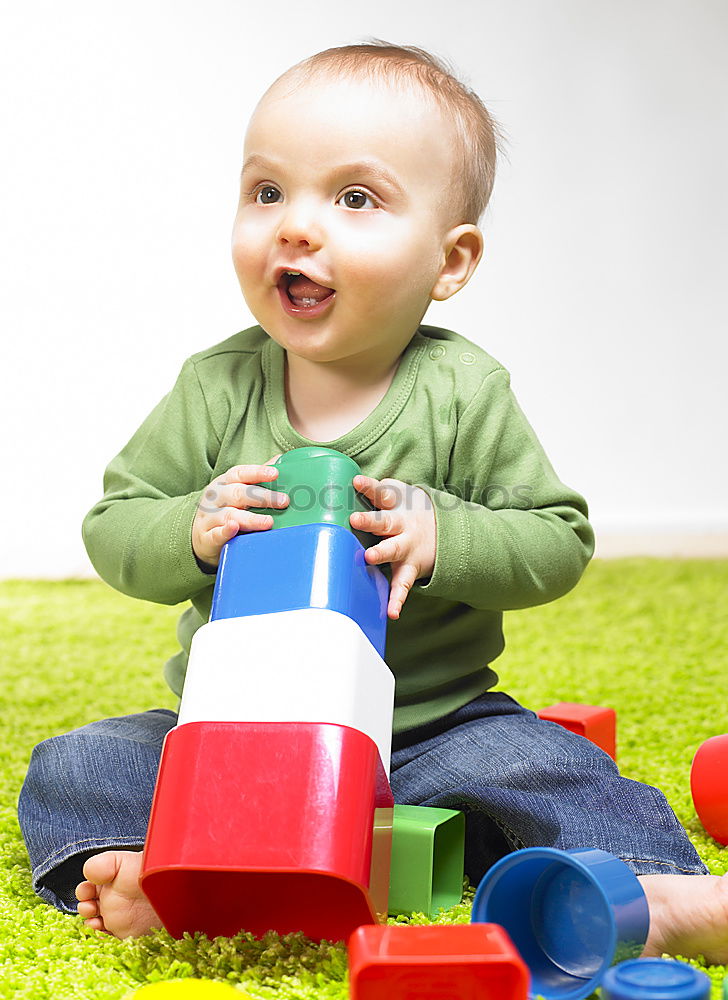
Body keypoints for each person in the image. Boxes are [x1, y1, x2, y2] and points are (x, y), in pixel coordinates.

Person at [18, 42, 728, 960]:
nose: (296, 227)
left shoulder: (462, 389)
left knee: (547, 766)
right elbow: (114, 523)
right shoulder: (215, 385)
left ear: (450, 259)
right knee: (78, 760)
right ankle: (149, 868)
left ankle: (647, 891)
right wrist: (192, 528)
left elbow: (558, 539)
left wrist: (445, 534)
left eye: (355, 199)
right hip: (232, 731)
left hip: (430, 730)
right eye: (268, 192)